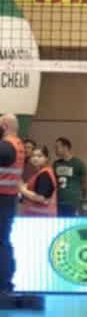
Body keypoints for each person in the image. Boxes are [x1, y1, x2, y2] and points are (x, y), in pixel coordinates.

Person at [0, 115, 18, 299]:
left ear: (4, 127)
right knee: (4, 242)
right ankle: (6, 282)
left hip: (2, 200)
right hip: (8, 200)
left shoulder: (6, 147)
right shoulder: (16, 144)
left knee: (1, 243)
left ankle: (3, 284)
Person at [51, 138, 87, 218]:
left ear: (65, 147)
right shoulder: (55, 164)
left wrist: (83, 201)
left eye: (57, 147)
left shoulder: (78, 164)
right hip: (58, 202)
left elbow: (85, 184)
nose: (55, 150)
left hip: (73, 202)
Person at [19, 146, 56, 216]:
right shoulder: (39, 173)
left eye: (39, 156)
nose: (35, 158)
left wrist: (22, 190)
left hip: (41, 217)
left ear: (46, 158)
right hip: (35, 215)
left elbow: (41, 198)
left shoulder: (45, 174)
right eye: (33, 156)